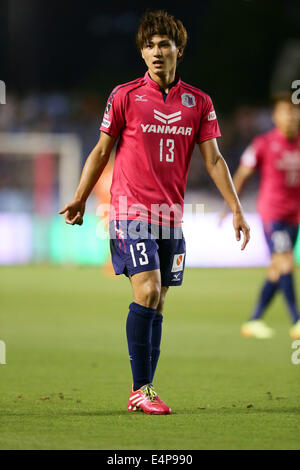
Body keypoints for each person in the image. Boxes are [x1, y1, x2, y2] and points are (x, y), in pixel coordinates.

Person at [59, 10, 250, 415]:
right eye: (149, 45)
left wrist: (236, 209)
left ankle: (143, 388)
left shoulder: (198, 102)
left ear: (179, 49)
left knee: (159, 301)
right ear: (142, 53)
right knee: (146, 291)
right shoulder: (125, 95)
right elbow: (101, 150)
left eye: (164, 44)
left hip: (171, 217)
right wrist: (80, 196)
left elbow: (215, 161)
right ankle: (141, 388)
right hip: (130, 212)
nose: (156, 52)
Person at [229, 93, 300, 340]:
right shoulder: (264, 143)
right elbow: (242, 174)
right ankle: (297, 321)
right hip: (273, 214)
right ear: (275, 116)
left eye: (294, 112)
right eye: (285, 112)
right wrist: (232, 204)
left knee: (276, 270)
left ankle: (254, 320)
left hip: (294, 216)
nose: (290, 117)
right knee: (286, 261)